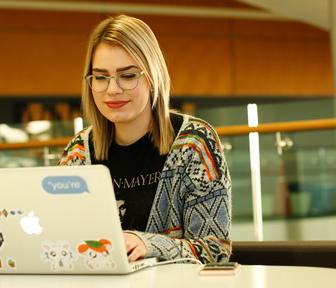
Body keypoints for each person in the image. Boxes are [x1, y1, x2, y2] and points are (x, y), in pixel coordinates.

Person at [58, 15, 232, 264]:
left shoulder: (195, 144)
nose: (112, 89)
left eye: (127, 76)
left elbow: (215, 251)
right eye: (100, 77)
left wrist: (147, 244)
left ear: (153, 78)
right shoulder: (78, 151)